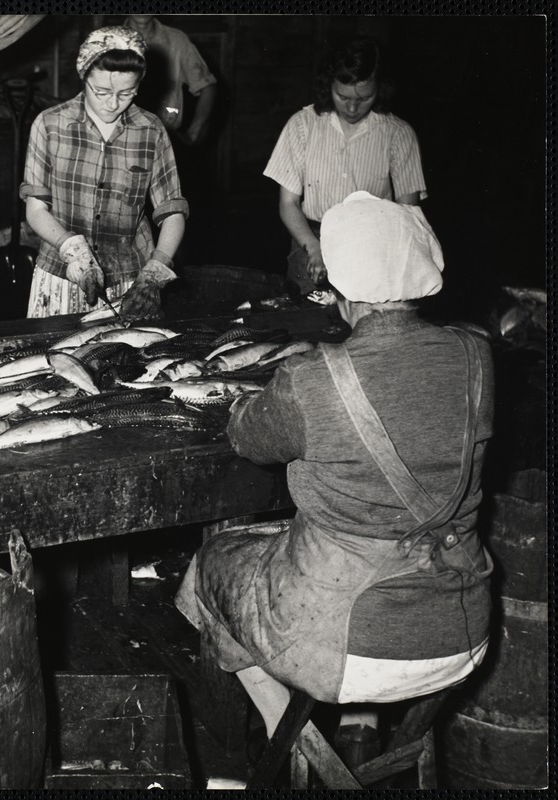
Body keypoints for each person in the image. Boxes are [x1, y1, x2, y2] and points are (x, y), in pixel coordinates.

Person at [175, 192, 494, 757]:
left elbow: (247, 435)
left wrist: (244, 400)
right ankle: (362, 730)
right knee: (352, 546)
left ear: (343, 294)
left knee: (208, 566)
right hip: (461, 628)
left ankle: (298, 746)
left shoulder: (314, 379)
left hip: (347, 646)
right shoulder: (477, 358)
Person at [20, 26, 189, 320]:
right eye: (102, 92)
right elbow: (36, 210)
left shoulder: (151, 130)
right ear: (84, 77)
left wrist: (156, 268)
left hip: (130, 280)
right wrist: (70, 247)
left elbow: (171, 211)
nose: (113, 104)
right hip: (62, 274)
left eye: (126, 93)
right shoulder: (49, 125)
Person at [263, 38, 427, 295]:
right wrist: (315, 249)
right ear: (328, 86)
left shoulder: (399, 134)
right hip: (310, 237)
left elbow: (408, 213)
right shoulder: (302, 125)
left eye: (364, 98)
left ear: (381, 89)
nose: (352, 108)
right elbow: (288, 203)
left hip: (375, 243)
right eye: (342, 96)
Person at [122, 15, 218, 146]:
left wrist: (192, 135)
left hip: (165, 142)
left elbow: (207, 87)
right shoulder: (109, 40)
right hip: (122, 141)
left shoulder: (177, 40)